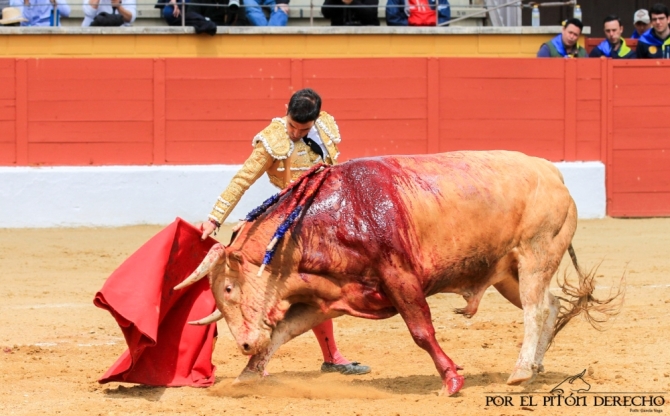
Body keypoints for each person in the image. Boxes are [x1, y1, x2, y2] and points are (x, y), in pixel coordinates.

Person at [199, 88, 371, 376]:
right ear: (286, 112)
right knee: (292, 291)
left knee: (320, 290)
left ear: (314, 121)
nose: (294, 132)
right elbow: (242, 180)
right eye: (291, 125)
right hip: (291, 222)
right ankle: (273, 356)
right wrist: (214, 219)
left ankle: (331, 357)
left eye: (301, 128)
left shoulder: (324, 129)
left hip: (325, 221)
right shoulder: (272, 141)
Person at [385, 0, 450, 26]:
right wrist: (411, 23)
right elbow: (392, 19)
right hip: (406, 38)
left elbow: (445, 19)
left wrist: (426, 23)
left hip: (433, 36)